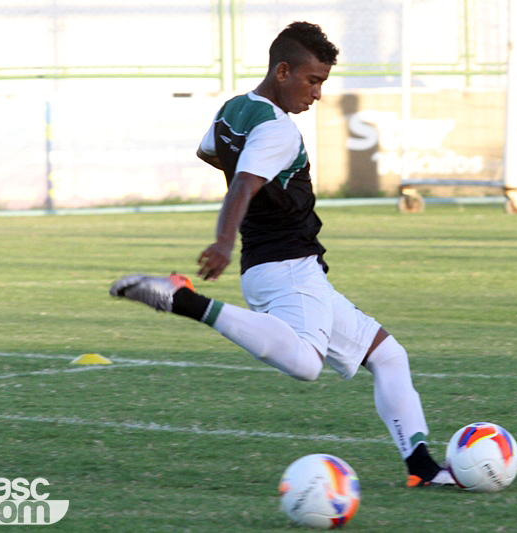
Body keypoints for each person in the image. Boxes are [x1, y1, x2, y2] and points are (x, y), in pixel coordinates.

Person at [109, 21, 455, 488]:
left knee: (389, 356)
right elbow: (244, 186)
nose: (316, 93)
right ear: (283, 71)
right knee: (307, 364)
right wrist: (224, 241)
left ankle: (423, 469)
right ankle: (185, 300)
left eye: (323, 83)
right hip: (287, 267)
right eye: (313, 81)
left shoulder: (235, 109)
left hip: (283, 266)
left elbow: (209, 152)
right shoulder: (278, 130)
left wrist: (250, 189)